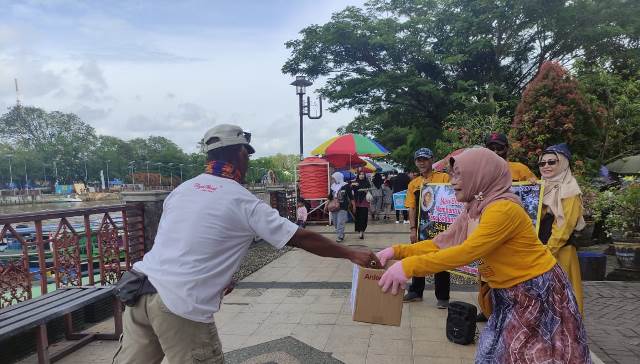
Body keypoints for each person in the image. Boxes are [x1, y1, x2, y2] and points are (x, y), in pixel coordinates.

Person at [112, 124, 380, 364]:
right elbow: (300, 237)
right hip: (181, 302)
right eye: (247, 155)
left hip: (140, 290)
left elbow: (180, 241)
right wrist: (350, 253)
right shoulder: (242, 199)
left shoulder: (182, 190)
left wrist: (218, 278)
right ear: (241, 153)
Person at [375, 148, 591, 363]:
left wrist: (407, 267)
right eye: (453, 175)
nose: (453, 181)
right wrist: (396, 251)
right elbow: (441, 243)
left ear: (480, 175)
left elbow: (467, 252)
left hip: (534, 291)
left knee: (526, 356)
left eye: (460, 174)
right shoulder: (475, 208)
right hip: (508, 292)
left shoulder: (503, 209)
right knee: (494, 353)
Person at [477, 132, 538, 322]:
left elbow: (537, 196)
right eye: (491, 147)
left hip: (513, 233)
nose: (495, 151)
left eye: (499, 147)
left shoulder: (520, 169)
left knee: (510, 273)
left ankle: (511, 313)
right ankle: (487, 310)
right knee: (486, 272)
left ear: (507, 149)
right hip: (489, 227)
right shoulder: (481, 171)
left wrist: (535, 185)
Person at [538, 143, 585, 314]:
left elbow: (564, 227)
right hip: (542, 250)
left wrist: (548, 252)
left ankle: (566, 338)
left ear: (563, 163)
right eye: (542, 163)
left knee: (562, 298)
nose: (546, 166)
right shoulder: (544, 187)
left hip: (560, 252)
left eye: (552, 162)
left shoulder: (570, 190)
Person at [403, 148, 451, 307]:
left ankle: (443, 297)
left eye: (425, 159)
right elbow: (412, 208)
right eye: (418, 160)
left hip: (440, 227)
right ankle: (416, 291)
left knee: (441, 260)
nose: (421, 162)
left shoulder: (444, 177)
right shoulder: (413, 184)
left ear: (432, 160)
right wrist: (412, 229)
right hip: (421, 228)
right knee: (417, 258)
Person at [325, 171, 354, 242]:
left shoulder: (346, 186)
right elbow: (329, 197)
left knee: (340, 222)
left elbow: (351, 197)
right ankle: (341, 234)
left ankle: (340, 236)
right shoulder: (333, 186)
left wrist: (354, 206)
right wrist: (326, 205)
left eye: (334, 178)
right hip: (333, 207)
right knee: (335, 223)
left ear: (338, 178)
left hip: (343, 207)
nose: (333, 180)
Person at [352, 171, 371, 239]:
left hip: (364, 202)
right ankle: (359, 230)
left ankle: (362, 231)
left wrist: (366, 190)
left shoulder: (367, 182)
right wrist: (353, 185)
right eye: (360, 174)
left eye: (363, 174)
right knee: (358, 218)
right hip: (357, 202)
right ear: (358, 175)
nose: (362, 176)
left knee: (363, 217)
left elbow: (370, 191)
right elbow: (352, 190)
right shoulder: (355, 182)